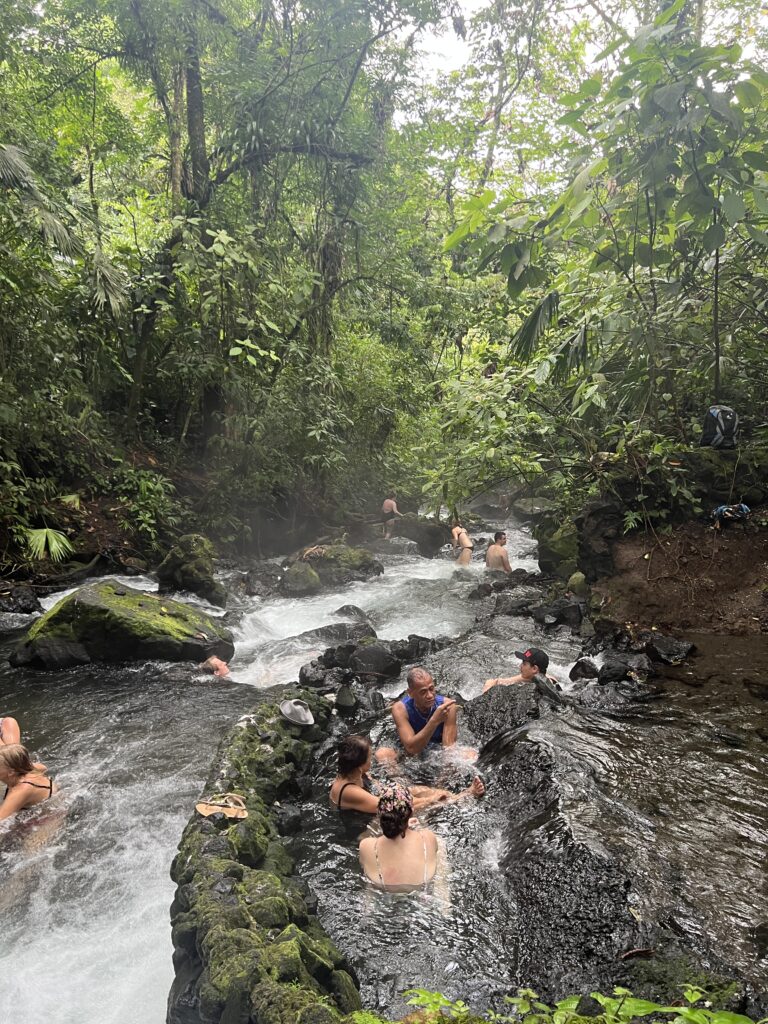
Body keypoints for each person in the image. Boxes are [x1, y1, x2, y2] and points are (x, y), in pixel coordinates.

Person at [330, 734, 483, 817]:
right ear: (359, 764)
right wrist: (428, 800)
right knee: (427, 803)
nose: (371, 760)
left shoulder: (355, 770)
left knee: (421, 791)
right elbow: (394, 807)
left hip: (383, 805)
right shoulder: (350, 791)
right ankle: (463, 797)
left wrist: (411, 791)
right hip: (370, 822)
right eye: (369, 758)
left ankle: (457, 797)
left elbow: (381, 790)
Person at [359, 783, 439, 892]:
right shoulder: (427, 837)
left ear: (380, 814)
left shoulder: (366, 845)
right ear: (410, 813)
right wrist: (416, 827)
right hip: (421, 892)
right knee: (441, 845)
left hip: (383, 893)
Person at [0, 744, 58, 821]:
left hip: (47, 820)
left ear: (11, 772)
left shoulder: (21, 790)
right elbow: (43, 767)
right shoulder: (28, 769)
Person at [483, 647, 558, 692]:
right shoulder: (537, 676)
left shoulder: (545, 688)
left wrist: (486, 689)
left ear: (534, 669)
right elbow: (504, 681)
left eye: (524, 664)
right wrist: (494, 682)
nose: (520, 666)